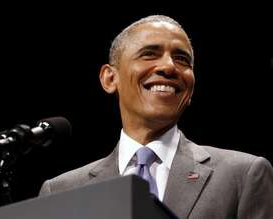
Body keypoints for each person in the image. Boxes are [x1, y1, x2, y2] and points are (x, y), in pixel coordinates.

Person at [39, 15, 273, 218]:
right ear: (110, 79)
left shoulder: (242, 175)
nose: (169, 67)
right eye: (149, 54)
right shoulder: (62, 191)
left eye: (182, 59)